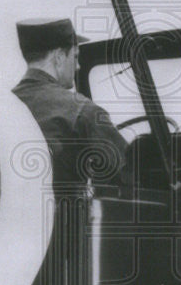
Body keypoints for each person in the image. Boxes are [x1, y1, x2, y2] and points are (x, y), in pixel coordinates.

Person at [11, 17, 127, 189]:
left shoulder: (6, 104)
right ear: (58, 58)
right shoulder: (81, 110)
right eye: (75, 56)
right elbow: (129, 173)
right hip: (67, 213)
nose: (78, 66)